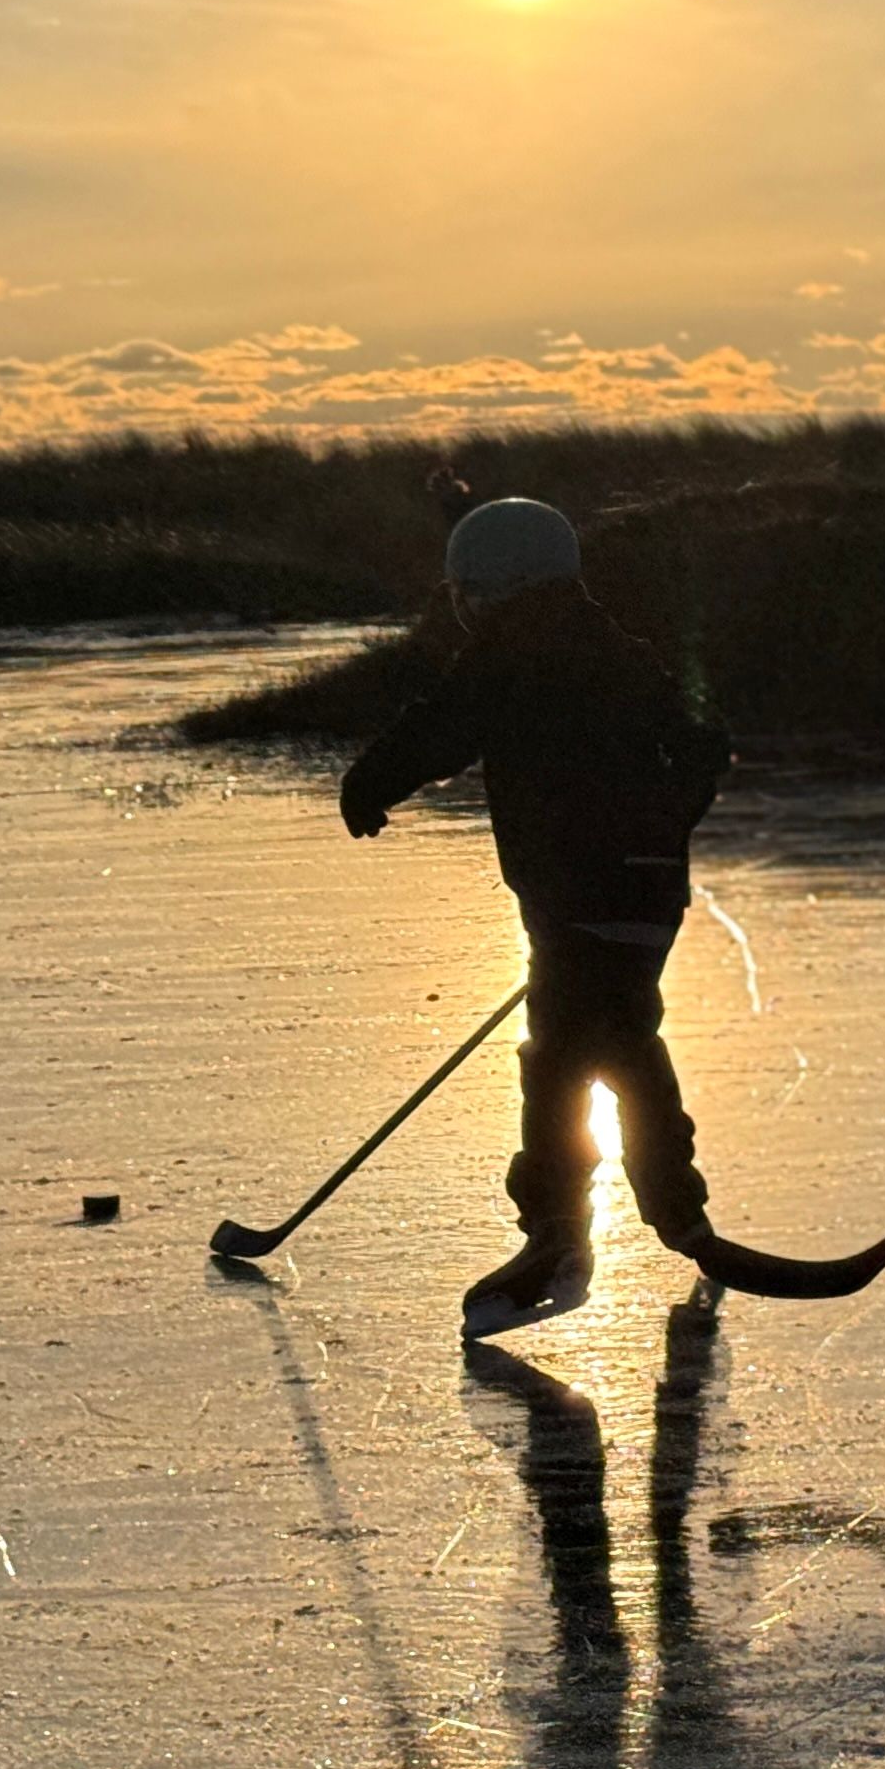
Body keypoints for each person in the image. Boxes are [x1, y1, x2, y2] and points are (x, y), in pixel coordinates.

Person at [342, 497, 730, 1340]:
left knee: (561, 1055)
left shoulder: (513, 653)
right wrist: (656, 836)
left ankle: (561, 1234)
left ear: (494, 590)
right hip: (642, 897)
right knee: (619, 1041)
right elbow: (702, 748)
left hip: (582, 894)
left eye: (466, 593)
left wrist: (368, 784)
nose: (461, 609)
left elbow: (438, 726)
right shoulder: (617, 649)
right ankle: (675, 1213)